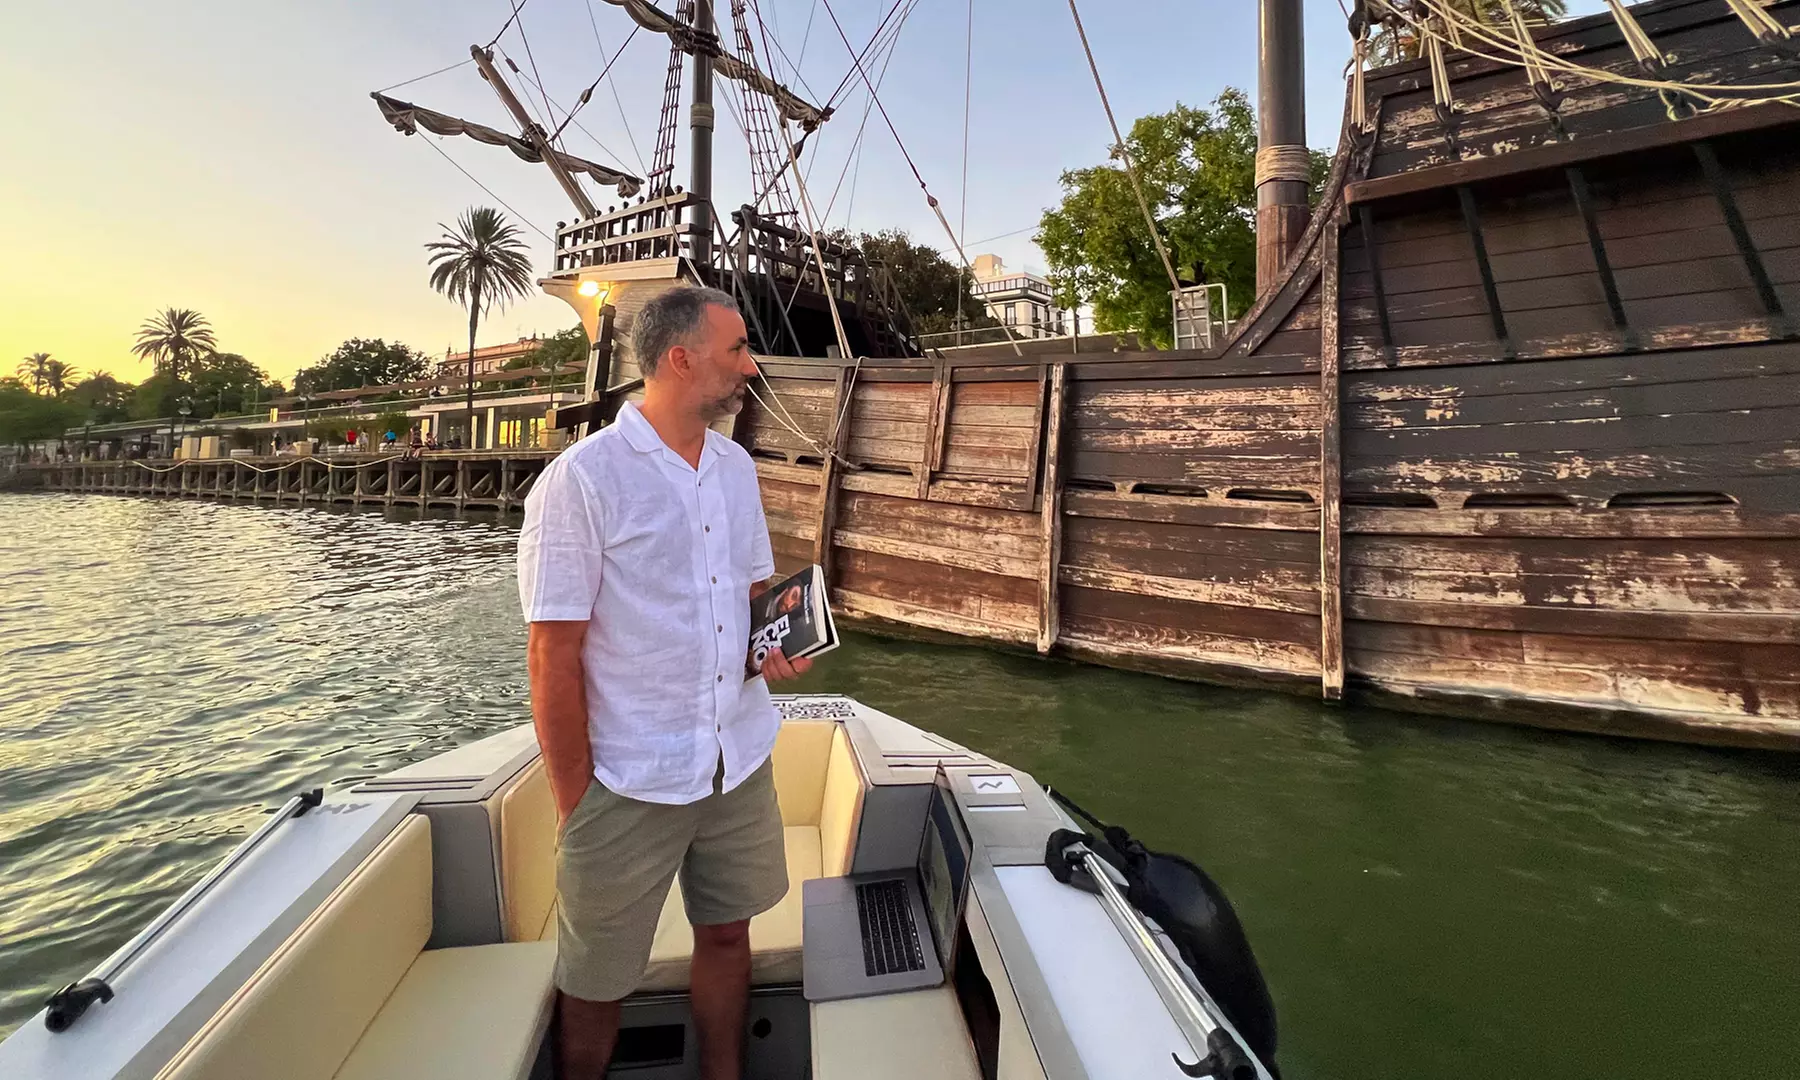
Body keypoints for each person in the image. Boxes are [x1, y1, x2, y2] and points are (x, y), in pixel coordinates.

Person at [518, 286, 809, 1080]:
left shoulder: (735, 467)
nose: (751, 367)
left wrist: (776, 646)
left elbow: (749, 600)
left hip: (735, 761)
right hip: (626, 776)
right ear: (681, 360)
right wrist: (578, 801)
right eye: (737, 352)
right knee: (599, 979)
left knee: (727, 934)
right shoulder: (580, 482)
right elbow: (552, 654)